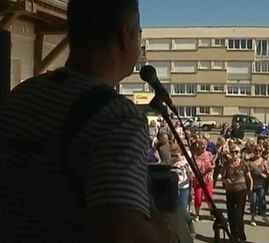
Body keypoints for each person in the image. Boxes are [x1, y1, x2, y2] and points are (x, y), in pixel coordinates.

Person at [0, 0, 176, 242]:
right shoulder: (117, 116)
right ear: (126, 34)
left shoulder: (20, 96)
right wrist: (169, 232)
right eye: (139, 33)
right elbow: (121, 232)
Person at [221, 144, 253, 243]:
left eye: (236, 152)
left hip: (241, 191)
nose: (234, 154)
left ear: (240, 153)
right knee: (230, 214)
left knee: (239, 215)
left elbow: (249, 178)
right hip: (230, 191)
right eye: (232, 152)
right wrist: (226, 181)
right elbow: (222, 178)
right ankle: (234, 236)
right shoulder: (226, 164)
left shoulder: (244, 163)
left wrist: (250, 190)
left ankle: (241, 235)